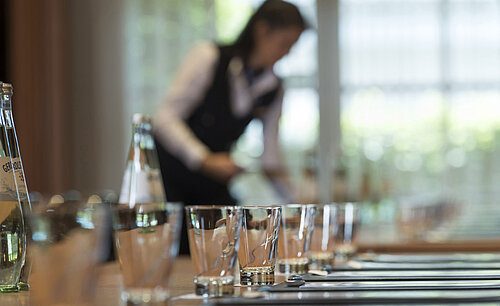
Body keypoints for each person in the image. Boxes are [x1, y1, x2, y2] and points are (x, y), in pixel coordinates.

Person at [154, 0, 307, 252]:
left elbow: (271, 159)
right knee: (176, 253)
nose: (286, 53)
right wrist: (204, 159)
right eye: (285, 44)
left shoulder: (274, 88)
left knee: (223, 252)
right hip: (171, 180)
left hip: (211, 188)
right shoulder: (208, 57)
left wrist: (299, 205)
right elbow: (165, 119)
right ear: (262, 30)